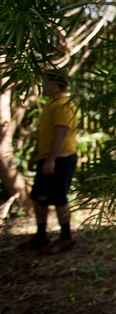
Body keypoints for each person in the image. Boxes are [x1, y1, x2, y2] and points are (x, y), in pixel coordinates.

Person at [17, 70, 79, 253]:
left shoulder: (62, 104)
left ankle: (66, 237)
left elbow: (62, 132)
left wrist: (51, 160)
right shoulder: (52, 104)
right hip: (48, 158)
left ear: (53, 84)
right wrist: (37, 154)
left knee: (59, 198)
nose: (42, 85)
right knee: (38, 197)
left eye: (45, 81)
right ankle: (41, 235)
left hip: (60, 159)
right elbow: (46, 133)